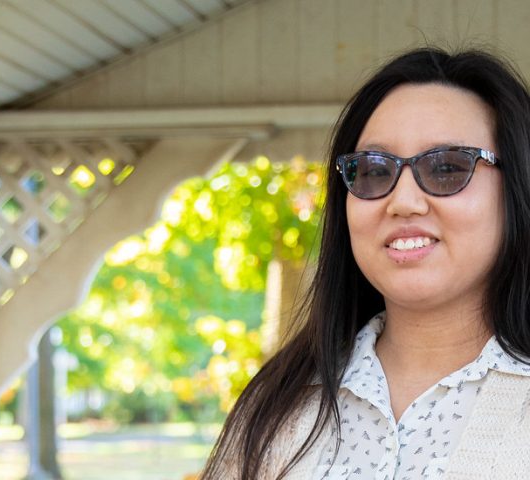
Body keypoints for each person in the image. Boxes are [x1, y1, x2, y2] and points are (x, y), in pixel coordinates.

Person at [200, 47, 530, 480]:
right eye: (374, 170)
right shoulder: (278, 402)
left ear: (518, 188)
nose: (404, 201)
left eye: (448, 167)